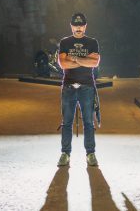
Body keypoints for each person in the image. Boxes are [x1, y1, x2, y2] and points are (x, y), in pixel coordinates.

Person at [57, 13, 100, 167]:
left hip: (87, 87)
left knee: (89, 122)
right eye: (76, 25)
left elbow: (94, 62)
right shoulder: (65, 42)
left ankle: (91, 154)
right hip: (69, 86)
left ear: (85, 26)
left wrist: (73, 59)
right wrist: (83, 61)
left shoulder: (92, 42)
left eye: (81, 25)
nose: (78, 28)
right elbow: (63, 64)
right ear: (71, 26)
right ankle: (65, 153)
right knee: (67, 122)